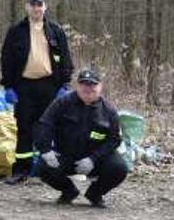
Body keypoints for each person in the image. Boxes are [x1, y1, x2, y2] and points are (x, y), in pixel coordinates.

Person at [0, 0, 73, 184]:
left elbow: (65, 58)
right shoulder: (16, 31)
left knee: (49, 127)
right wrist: (8, 86)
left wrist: (65, 84)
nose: (36, 8)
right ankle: (21, 170)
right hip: (24, 86)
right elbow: (6, 59)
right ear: (27, 7)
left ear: (45, 7)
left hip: (50, 85)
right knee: (24, 128)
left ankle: (49, 169)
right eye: (33, 4)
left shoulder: (55, 31)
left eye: (39, 4)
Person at [35, 68, 128, 208]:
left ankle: (95, 194)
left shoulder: (109, 111)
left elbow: (114, 139)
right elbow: (44, 125)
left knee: (119, 168)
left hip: (95, 159)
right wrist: (46, 149)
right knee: (42, 166)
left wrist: (93, 158)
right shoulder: (62, 103)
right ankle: (68, 191)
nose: (88, 88)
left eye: (93, 85)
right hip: (65, 155)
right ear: (77, 86)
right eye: (84, 84)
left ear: (100, 87)